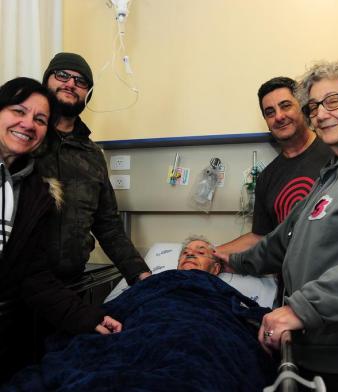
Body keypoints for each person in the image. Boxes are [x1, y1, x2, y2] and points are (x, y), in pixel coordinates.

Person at [218, 59, 338, 392]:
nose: (322, 114)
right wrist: (228, 259)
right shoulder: (330, 176)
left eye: (333, 101)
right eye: (314, 106)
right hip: (316, 349)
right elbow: (280, 242)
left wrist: (300, 308)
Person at [2, 236, 277, 392]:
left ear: (216, 267)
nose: (190, 254)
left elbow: (238, 320)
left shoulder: (217, 287)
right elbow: (122, 305)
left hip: (201, 330)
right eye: (186, 252)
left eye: (201, 251)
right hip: (143, 325)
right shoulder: (158, 279)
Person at [0, 77, 122, 384]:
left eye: (40, 119)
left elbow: (33, 277)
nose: (28, 124)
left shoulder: (33, 193)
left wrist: (89, 317)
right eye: (18, 111)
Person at [35, 52, 150, 284]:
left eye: (81, 81)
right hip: (18, 287)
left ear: (88, 94)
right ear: (46, 80)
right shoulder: (26, 139)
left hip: (70, 285)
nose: (70, 84)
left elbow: (108, 226)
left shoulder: (92, 156)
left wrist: (141, 275)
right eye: (62, 75)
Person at [217, 77, 331, 254]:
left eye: (285, 106)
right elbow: (260, 238)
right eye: (270, 112)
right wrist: (211, 253)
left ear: (303, 107)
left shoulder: (335, 151)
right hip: (292, 278)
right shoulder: (266, 178)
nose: (279, 116)